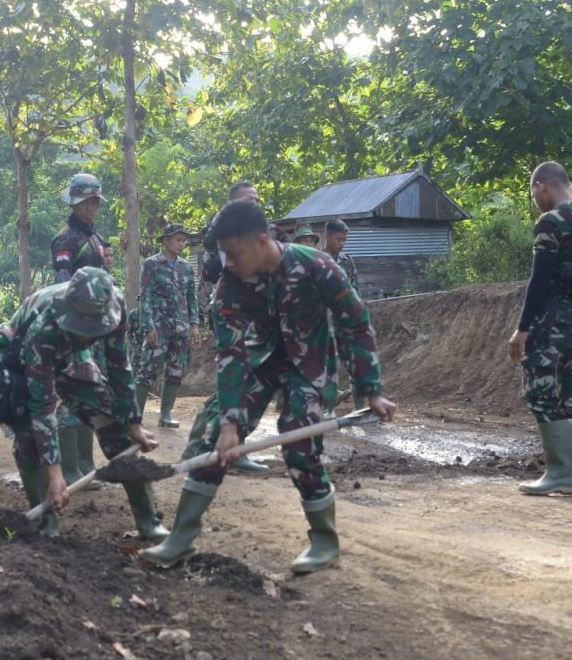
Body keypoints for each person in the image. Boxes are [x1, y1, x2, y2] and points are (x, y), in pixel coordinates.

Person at [140, 200, 397, 573]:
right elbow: (231, 351)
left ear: (261, 241)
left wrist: (371, 390)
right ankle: (180, 538)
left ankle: (324, 540)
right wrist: (230, 424)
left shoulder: (316, 266)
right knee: (214, 436)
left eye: (233, 253)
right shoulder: (231, 283)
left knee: (298, 436)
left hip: (308, 365)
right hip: (257, 362)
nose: (226, 263)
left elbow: (355, 324)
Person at [0, 267, 168, 539]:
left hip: (74, 355)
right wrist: (55, 473)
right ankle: (45, 524)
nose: (89, 332)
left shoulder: (116, 305)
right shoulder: (44, 329)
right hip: (21, 356)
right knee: (28, 434)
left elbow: (119, 366)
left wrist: (133, 422)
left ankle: (148, 521)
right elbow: (43, 408)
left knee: (115, 425)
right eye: (83, 326)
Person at [508, 161, 572, 496]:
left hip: (551, 322)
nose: (535, 199)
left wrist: (522, 329)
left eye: (533, 193)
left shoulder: (551, 222)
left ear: (542, 186)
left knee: (540, 391)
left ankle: (560, 472)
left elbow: (540, 280)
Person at [197, 180, 283, 473]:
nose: (254, 204)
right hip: (230, 307)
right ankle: (213, 437)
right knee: (237, 368)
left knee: (254, 373)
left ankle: (235, 440)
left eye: (257, 199)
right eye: (247, 199)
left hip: (257, 311)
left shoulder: (262, 231)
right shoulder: (221, 234)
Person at [50, 174, 109, 485]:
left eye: (95, 201)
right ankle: (71, 469)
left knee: (89, 397)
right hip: (73, 330)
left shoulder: (96, 239)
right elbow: (62, 287)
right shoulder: (66, 239)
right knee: (71, 397)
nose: (91, 206)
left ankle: (86, 467)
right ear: (73, 203)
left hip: (95, 328)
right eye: (86, 201)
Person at [135, 223, 201, 427]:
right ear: (165, 241)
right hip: (158, 328)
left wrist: (194, 325)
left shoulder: (186, 267)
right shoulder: (151, 264)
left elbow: (192, 297)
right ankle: (134, 415)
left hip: (180, 329)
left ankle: (165, 414)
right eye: (177, 240)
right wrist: (148, 327)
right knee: (147, 370)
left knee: (176, 372)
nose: (182, 244)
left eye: (183, 240)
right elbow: (144, 297)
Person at [322, 218, 364, 408]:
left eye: (344, 240)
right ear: (327, 236)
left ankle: (361, 411)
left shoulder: (347, 261)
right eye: (339, 239)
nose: (342, 243)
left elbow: (355, 292)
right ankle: (326, 412)